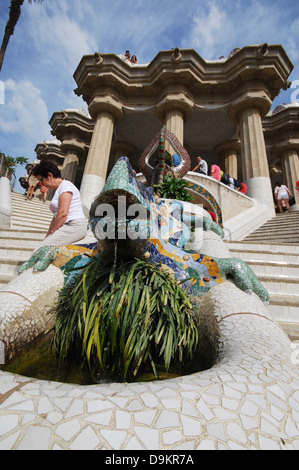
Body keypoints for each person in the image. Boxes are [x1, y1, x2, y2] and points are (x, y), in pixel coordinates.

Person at [32, 160, 87, 247]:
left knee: (40, 251)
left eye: (41, 180)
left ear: (49, 175)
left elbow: (63, 213)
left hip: (74, 224)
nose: (41, 184)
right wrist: (48, 236)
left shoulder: (65, 185)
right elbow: (55, 218)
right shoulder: (59, 189)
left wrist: (53, 233)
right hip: (67, 225)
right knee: (44, 249)